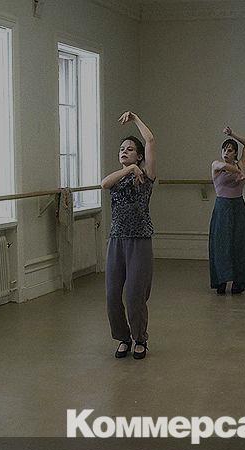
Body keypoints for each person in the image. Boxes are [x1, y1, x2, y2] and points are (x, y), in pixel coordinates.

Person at [101, 111, 157, 360]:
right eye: (122, 149)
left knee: (135, 295)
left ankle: (140, 338)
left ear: (140, 155)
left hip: (139, 240)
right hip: (116, 240)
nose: (124, 151)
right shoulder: (118, 177)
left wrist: (135, 119)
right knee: (112, 294)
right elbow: (104, 183)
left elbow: (151, 140)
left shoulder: (146, 176)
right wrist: (129, 168)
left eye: (130, 149)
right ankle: (123, 337)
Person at [209, 126, 245, 294]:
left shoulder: (241, 163)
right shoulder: (216, 165)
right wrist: (238, 171)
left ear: (235, 153)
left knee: (239, 243)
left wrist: (232, 134)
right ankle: (221, 280)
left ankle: (239, 281)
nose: (226, 153)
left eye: (230, 150)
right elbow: (224, 166)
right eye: (224, 150)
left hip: (238, 207)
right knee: (221, 243)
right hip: (222, 207)